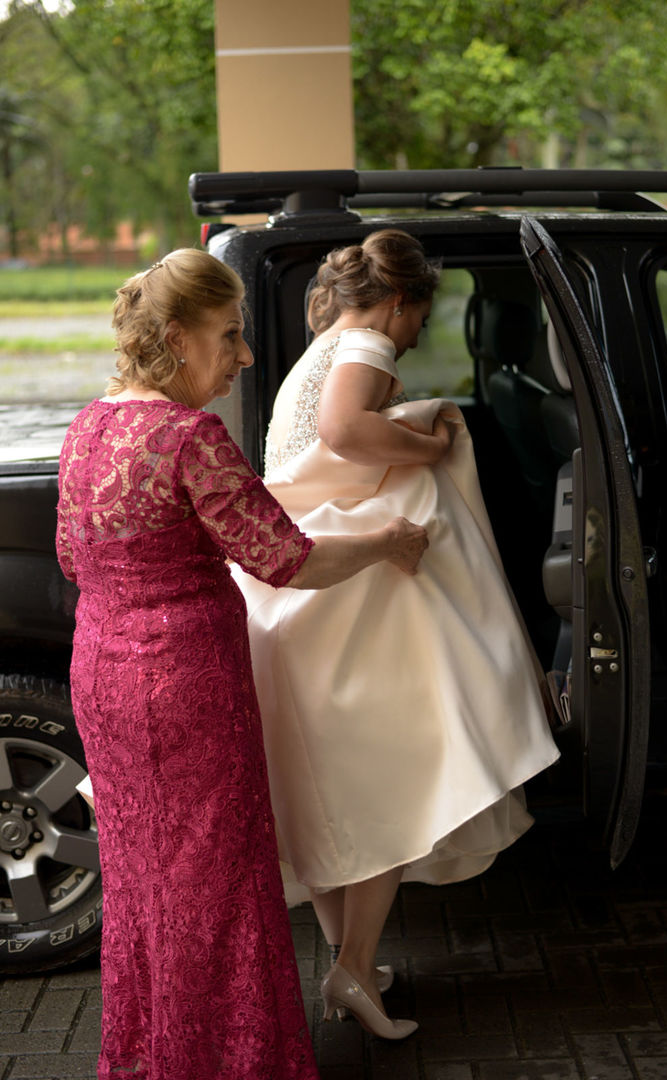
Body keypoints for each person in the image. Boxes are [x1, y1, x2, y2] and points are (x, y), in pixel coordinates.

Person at [55, 248, 428, 1080]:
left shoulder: (87, 427)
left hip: (102, 678)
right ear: (178, 339)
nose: (245, 357)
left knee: (145, 884)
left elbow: (73, 561)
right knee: (214, 885)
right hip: (186, 684)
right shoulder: (190, 436)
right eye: (230, 336)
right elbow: (285, 559)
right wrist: (386, 541)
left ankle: (156, 1053)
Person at [233, 228, 561, 1040]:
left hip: (309, 598)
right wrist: (428, 443)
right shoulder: (368, 340)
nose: (415, 333)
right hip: (356, 600)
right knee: (392, 775)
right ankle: (350, 973)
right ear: (402, 301)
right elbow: (346, 434)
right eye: (422, 315)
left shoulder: (320, 347)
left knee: (340, 783)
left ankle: (352, 959)